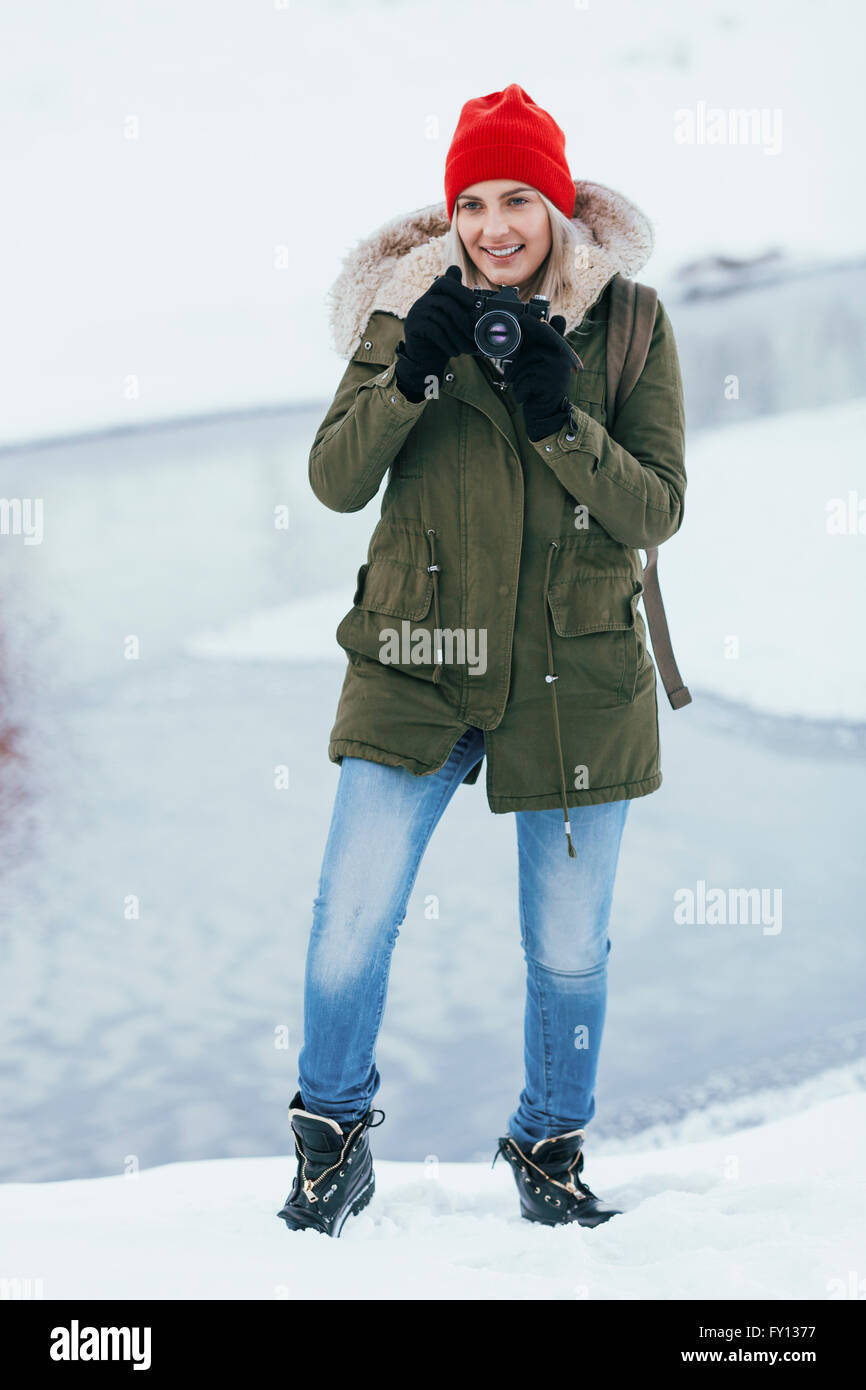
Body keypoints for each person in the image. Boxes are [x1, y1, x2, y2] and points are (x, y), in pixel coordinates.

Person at [277, 84, 686, 1238]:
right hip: (417, 654)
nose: (492, 224)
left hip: (577, 670)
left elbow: (654, 509)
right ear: (447, 212)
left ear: (558, 204)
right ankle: (331, 1140)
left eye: (517, 197)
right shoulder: (407, 311)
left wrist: (561, 417)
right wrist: (408, 379)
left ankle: (549, 1146)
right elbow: (334, 480)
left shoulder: (632, 323)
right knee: (350, 915)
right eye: (470, 200)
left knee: (566, 947)